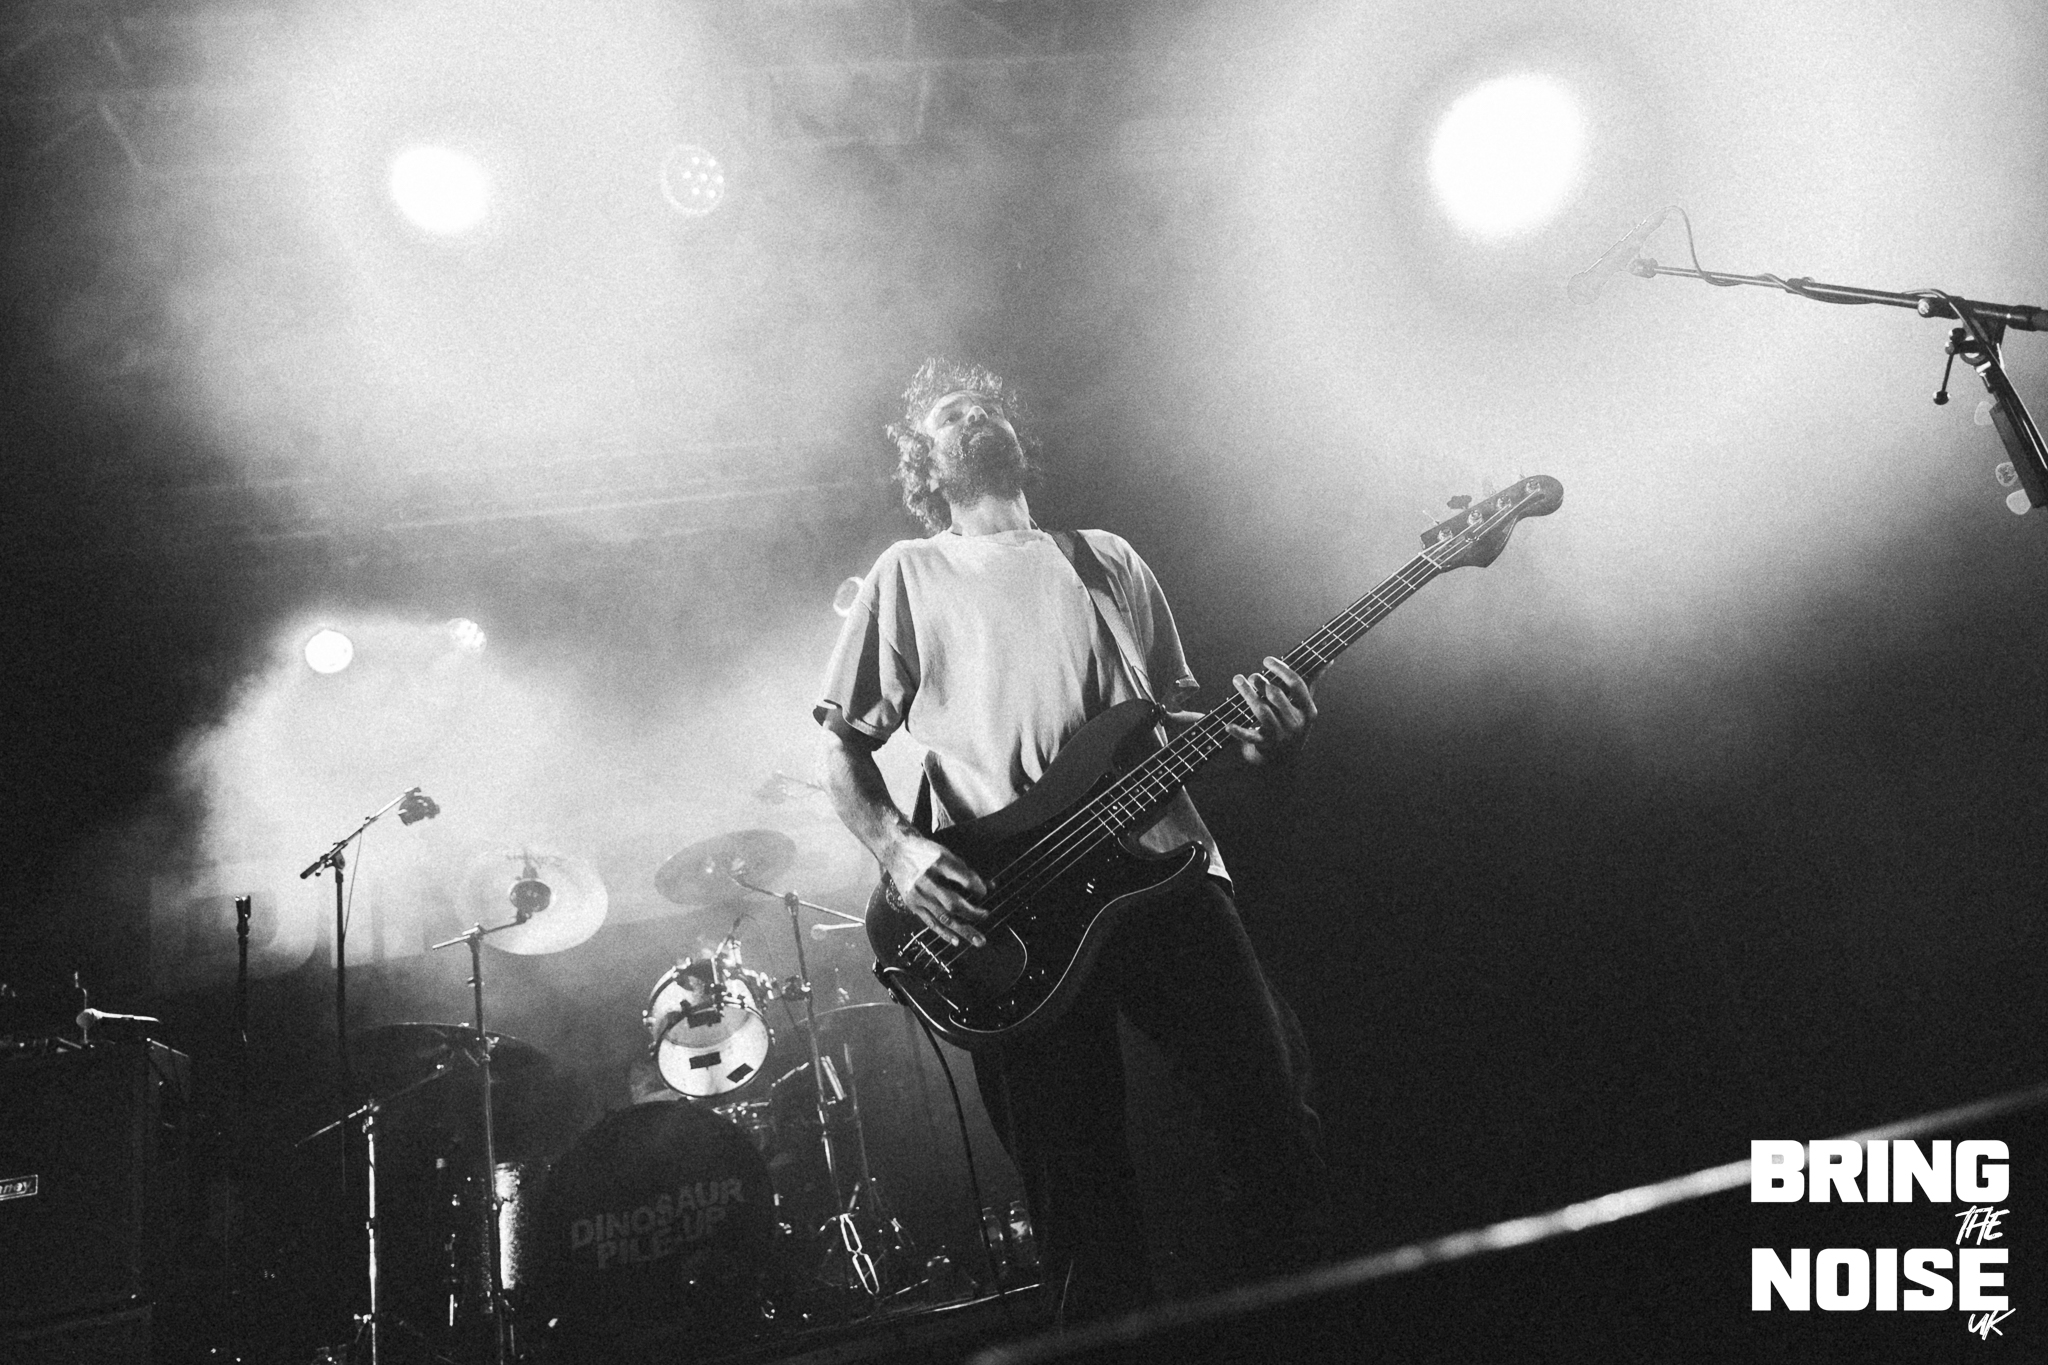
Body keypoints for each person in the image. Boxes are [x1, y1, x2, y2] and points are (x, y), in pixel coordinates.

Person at [813, 358, 1331, 1320]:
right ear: (922, 465)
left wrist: (1266, 740)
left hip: (1163, 872)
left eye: (983, 402)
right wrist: (900, 850)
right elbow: (841, 748)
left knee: (1270, 1123)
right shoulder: (909, 571)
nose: (972, 413)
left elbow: (1170, 725)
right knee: (1079, 1196)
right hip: (1013, 910)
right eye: (947, 414)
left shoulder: (1105, 558)